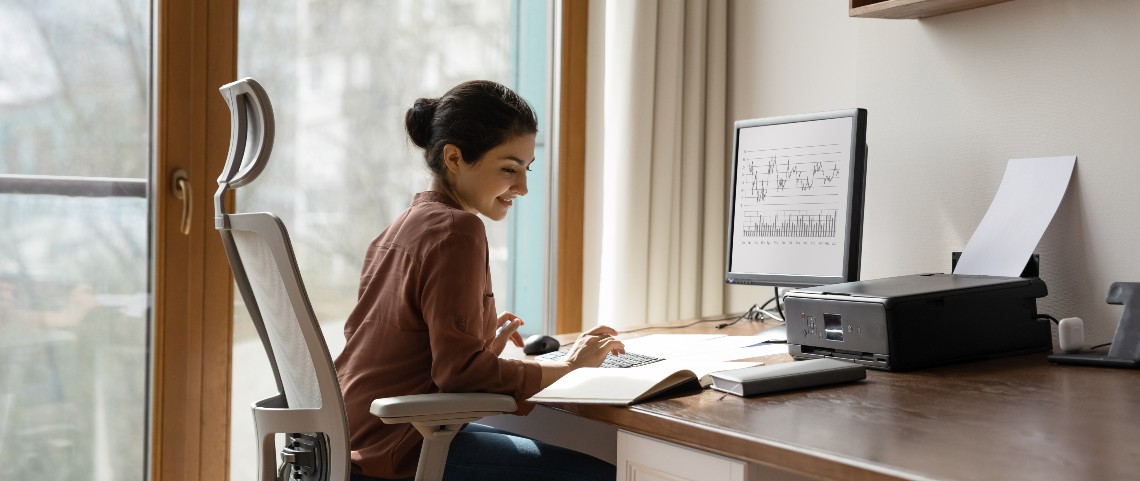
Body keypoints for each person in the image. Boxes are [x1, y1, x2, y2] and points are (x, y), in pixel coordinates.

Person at [334, 80, 624, 481]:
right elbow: (461, 374)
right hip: (401, 451)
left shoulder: (399, 228)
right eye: (509, 169)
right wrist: (573, 365)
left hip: (352, 440)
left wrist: (479, 339)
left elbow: (395, 346)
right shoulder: (458, 229)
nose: (522, 187)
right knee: (614, 474)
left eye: (526, 169)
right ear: (454, 157)